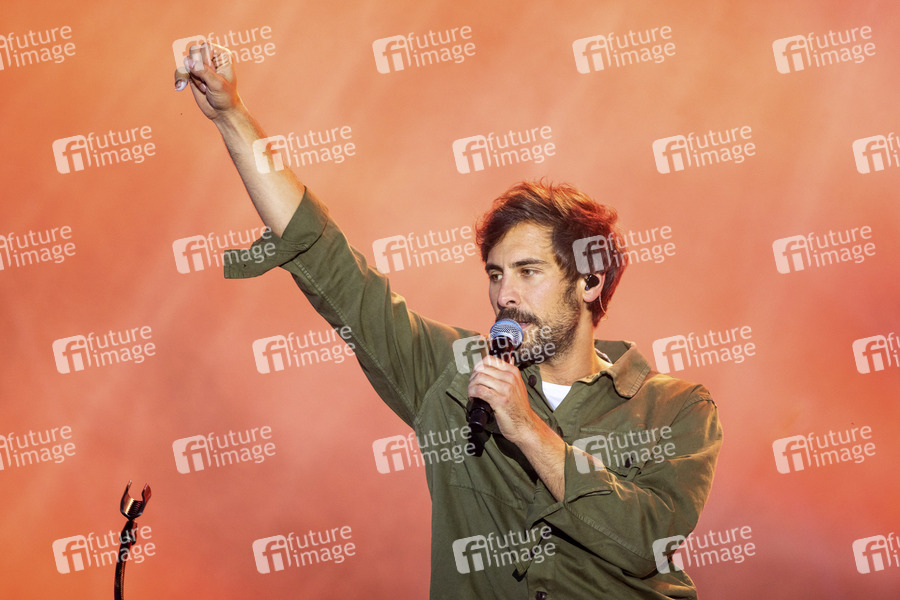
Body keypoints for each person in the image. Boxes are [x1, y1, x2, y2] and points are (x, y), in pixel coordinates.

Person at [177, 43, 722, 599]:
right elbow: (331, 264)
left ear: (589, 282)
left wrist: (527, 429)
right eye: (495, 274)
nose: (504, 294)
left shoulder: (675, 407)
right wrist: (231, 115)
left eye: (528, 271)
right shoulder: (453, 374)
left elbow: (645, 539)